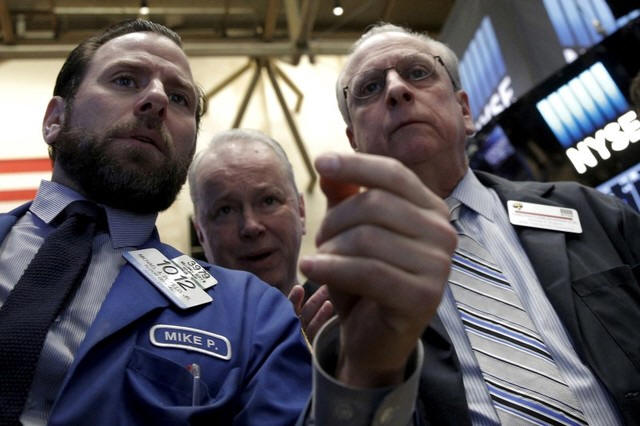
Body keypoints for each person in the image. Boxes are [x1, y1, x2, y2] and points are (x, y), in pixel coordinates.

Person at [319, 22, 640, 425]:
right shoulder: (341, 293)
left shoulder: (590, 212)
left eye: (417, 72)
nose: (397, 90)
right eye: (369, 88)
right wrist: (359, 379)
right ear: (355, 141)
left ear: (465, 110)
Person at [0, 19, 311, 425]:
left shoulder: (256, 318)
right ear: (54, 118)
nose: (157, 99)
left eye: (180, 98)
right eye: (125, 80)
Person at [188, 129, 333, 342]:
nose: (251, 226)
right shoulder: (185, 341)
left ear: (301, 211)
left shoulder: (349, 319)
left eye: (268, 201)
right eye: (225, 210)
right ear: (200, 232)